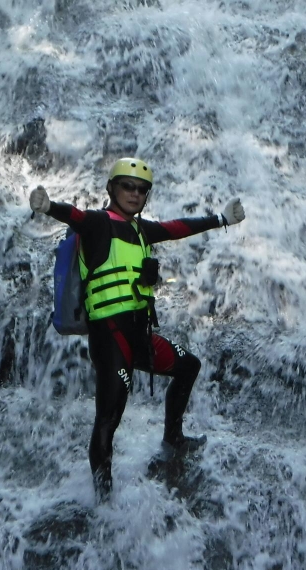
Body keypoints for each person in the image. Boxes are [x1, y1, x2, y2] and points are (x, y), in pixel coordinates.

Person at [29, 157, 246, 501]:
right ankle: (103, 499)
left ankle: (173, 440)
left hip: (140, 336)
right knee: (109, 418)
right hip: (110, 337)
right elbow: (76, 216)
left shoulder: (143, 231)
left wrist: (221, 220)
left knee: (188, 366)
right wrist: (48, 207)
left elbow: (179, 227)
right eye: (127, 186)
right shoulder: (98, 224)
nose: (134, 193)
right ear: (112, 188)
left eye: (141, 189)